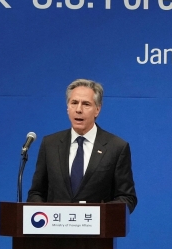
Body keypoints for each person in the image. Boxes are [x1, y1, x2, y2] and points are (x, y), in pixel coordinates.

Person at [27, 79, 137, 211]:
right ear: (67, 107)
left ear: (97, 109)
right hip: (55, 230)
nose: (79, 109)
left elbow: (126, 197)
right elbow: (36, 193)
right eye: (74, 103)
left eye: (86, 104)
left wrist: (98, 215)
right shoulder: (50, 144)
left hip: (97, 230)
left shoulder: (116, 147)